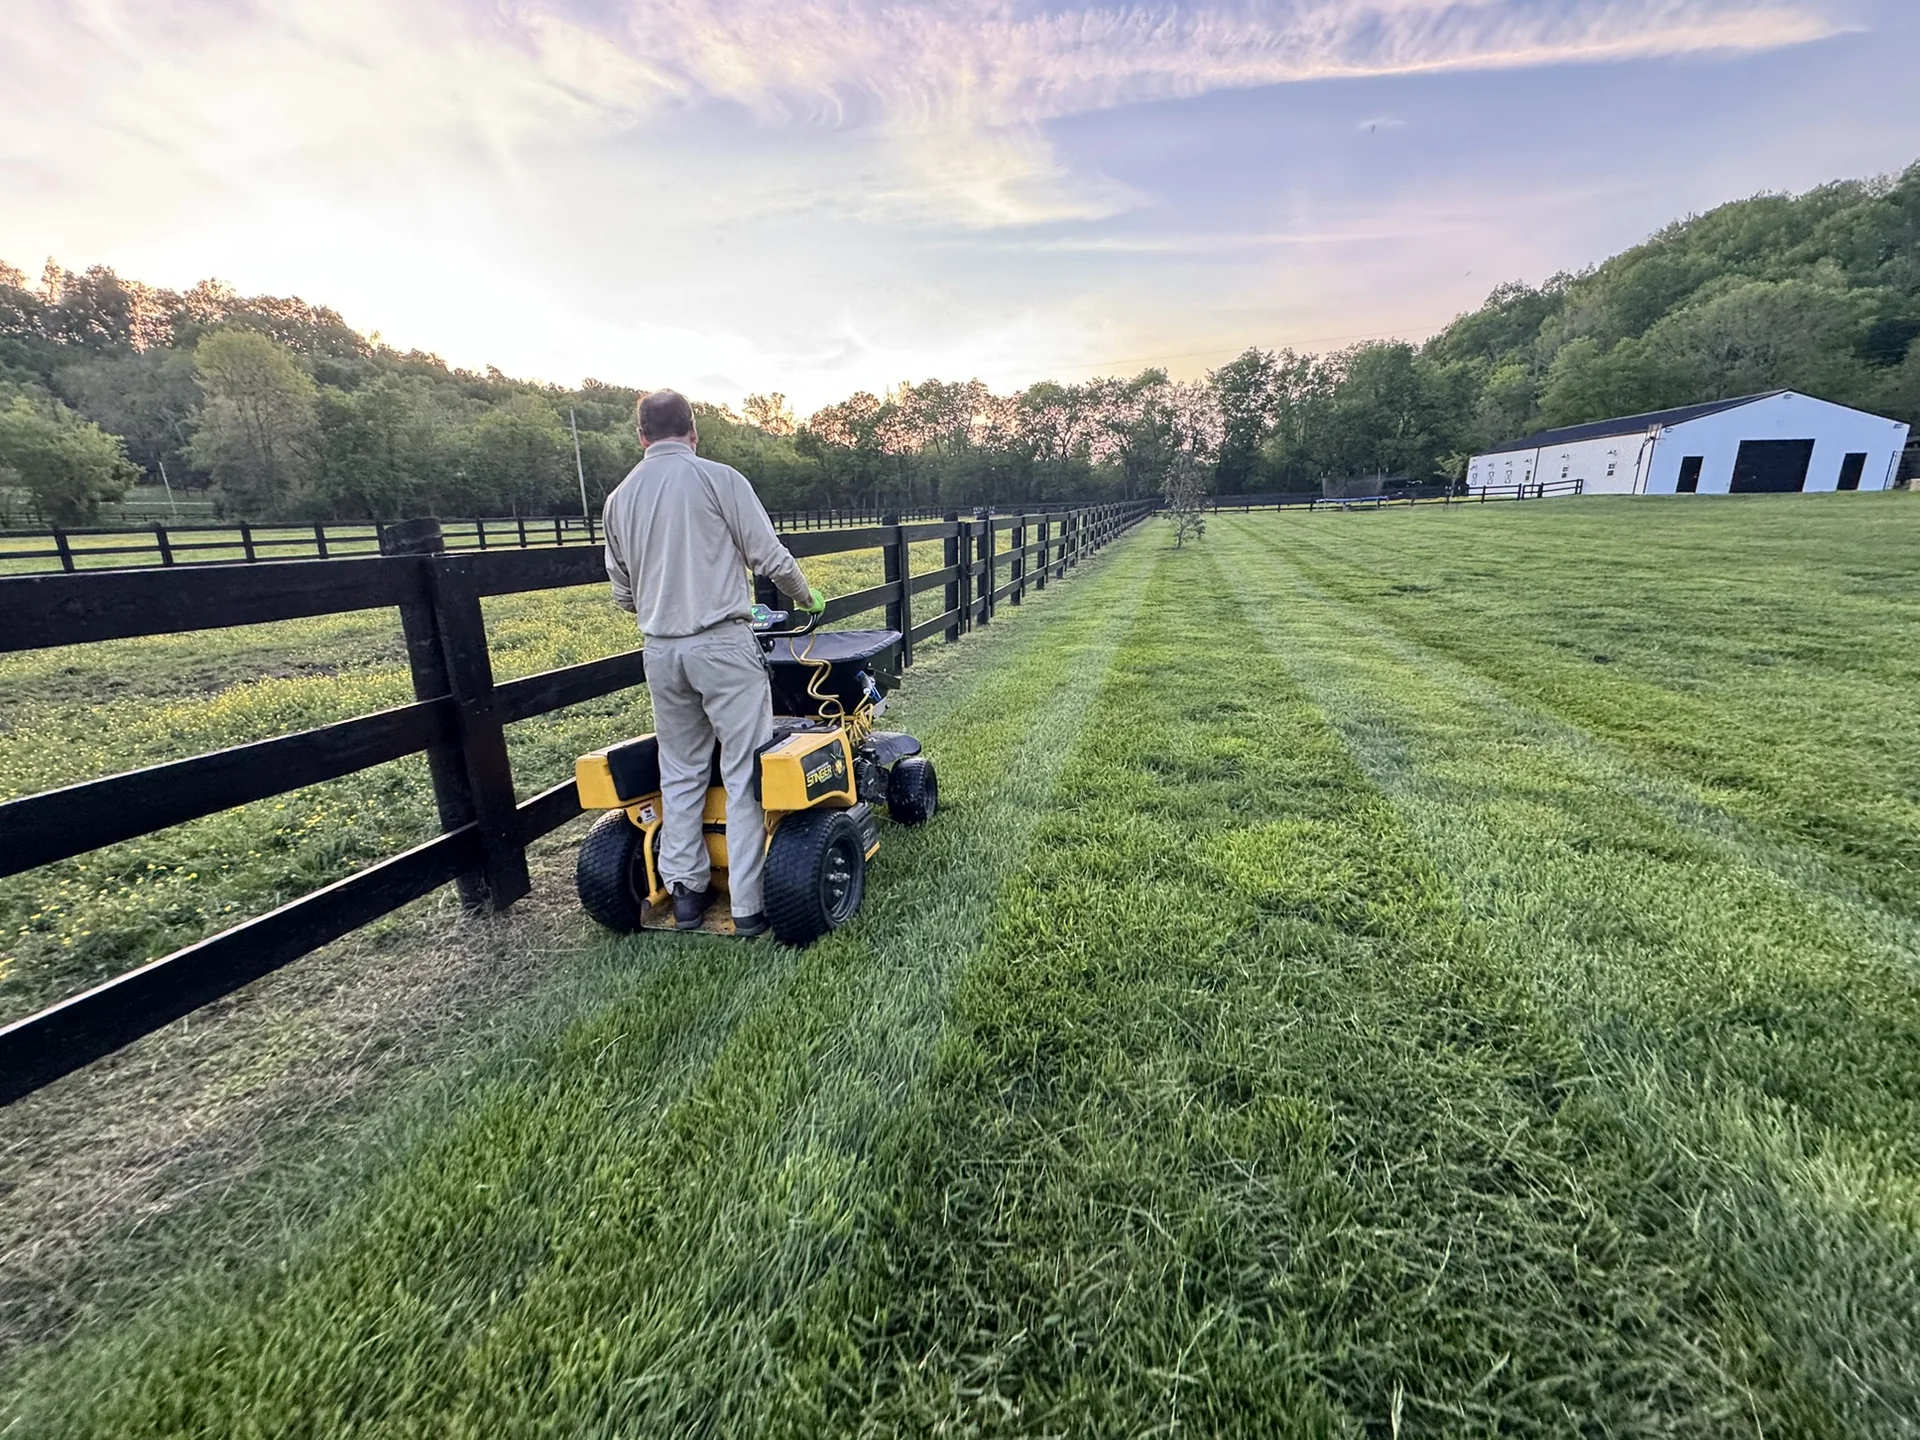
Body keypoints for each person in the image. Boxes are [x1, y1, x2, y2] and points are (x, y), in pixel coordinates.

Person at [602, 389, 823, 935]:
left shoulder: (618, 499)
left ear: (642, 436)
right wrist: (807, 597)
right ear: (693, 431)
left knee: (680, 771)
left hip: (660, 650)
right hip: (723, 644)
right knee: (746, 770)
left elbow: (623, 595)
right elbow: (770, 557)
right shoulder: (720, 479)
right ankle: (748, 906)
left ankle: (686, 897)